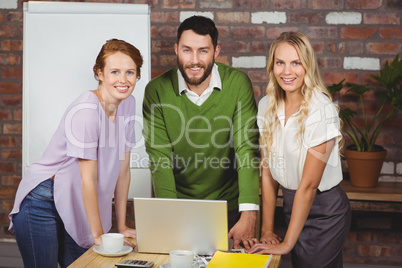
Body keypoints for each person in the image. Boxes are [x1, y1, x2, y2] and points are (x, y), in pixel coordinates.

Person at [8, 39, 143, 268]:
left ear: (137, 75)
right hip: (42, 200)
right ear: (99, 74)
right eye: (115, 71)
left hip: (75, 201)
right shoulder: (86, 110)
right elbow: (87, 179)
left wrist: (122, 227)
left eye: (130, 72)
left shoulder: (128, 104)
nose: (123, 79)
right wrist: (99, 235)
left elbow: (123, 171)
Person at [142, 16, 260, 249]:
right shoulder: (156, 90)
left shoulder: (237, 84)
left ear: (216, 51)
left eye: (203, 51)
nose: (194, 60)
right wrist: (170, 214)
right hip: (178, 207)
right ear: (176, 49)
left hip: (230, 208)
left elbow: (247, 149)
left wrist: (249, 214)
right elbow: (160, 159)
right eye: (187, 50)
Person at [247, 31, 351, 267]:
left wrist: (286, 244)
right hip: (292, 206)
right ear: (272, 66)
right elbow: (268, 172)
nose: (287, 71)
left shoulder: (321, 110)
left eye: (296, 63)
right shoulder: (266, 106)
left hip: (325, 212)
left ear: (307, 66)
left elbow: (309, 186)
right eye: (280, 63)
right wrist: (267, 230)